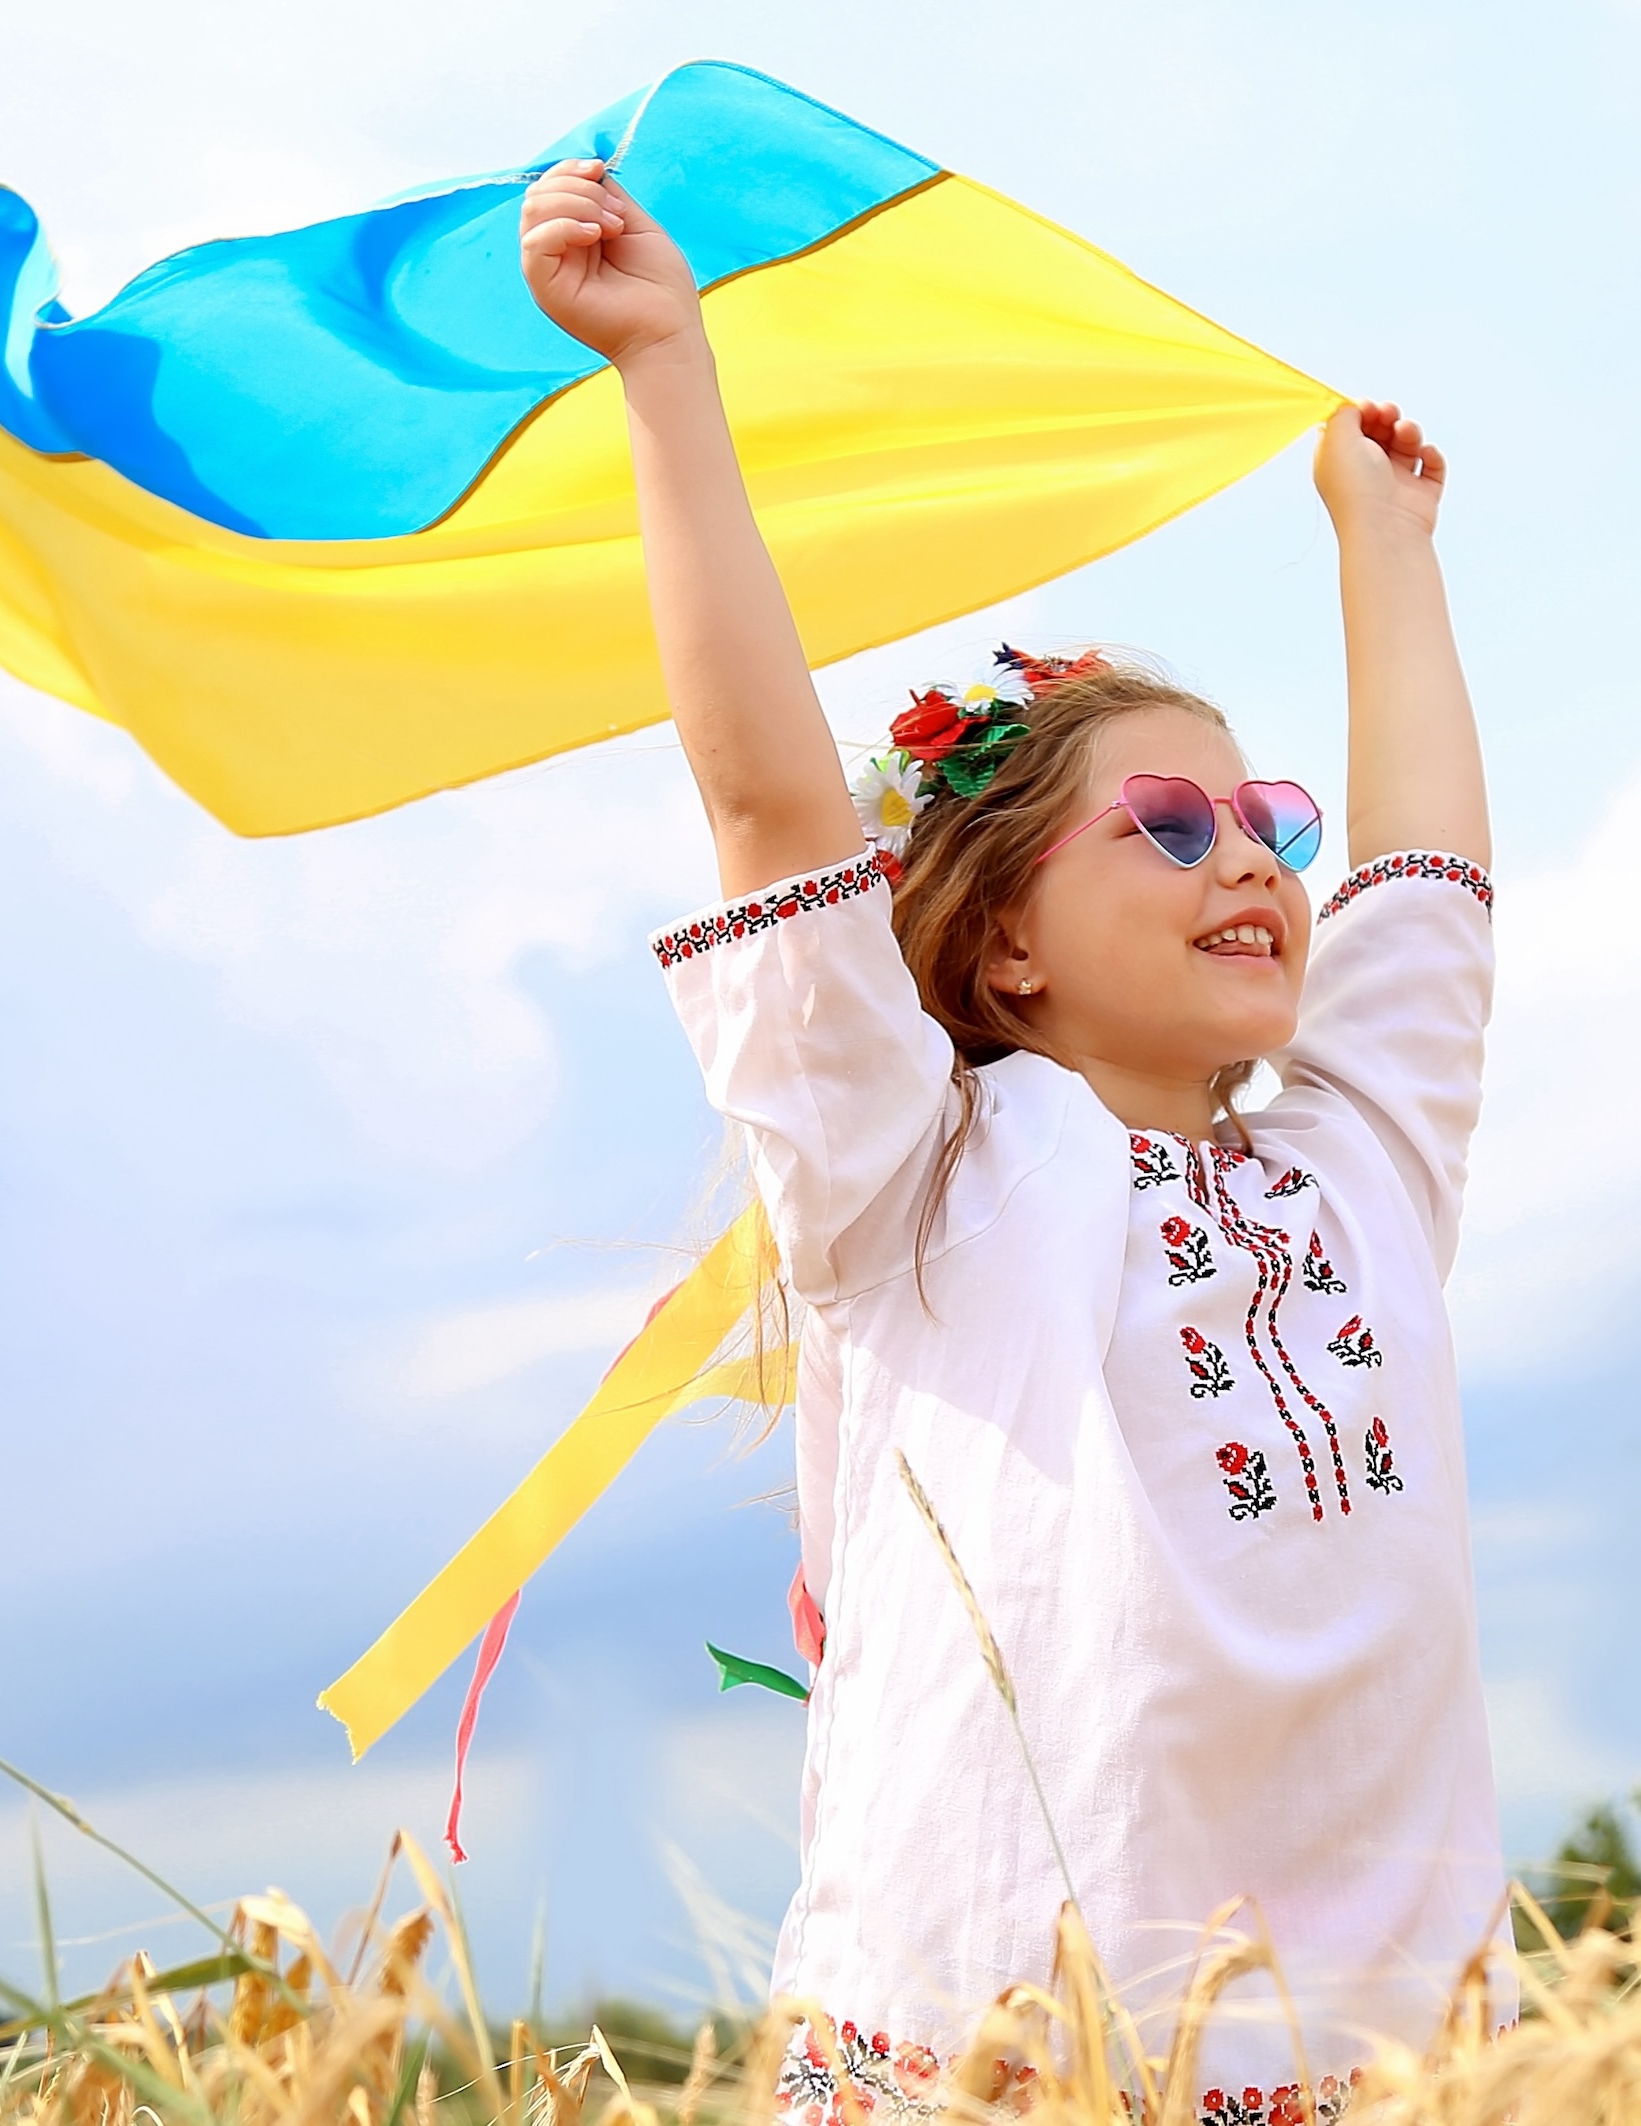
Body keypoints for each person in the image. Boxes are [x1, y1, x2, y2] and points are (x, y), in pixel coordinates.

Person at [519, 159, 1503, 2108]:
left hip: (1382, 2066)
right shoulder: (914, 1183)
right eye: (1163, 823)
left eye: (1262, 825)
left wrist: (1379, 549)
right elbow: (762, 807)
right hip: (994, 2053)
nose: (1247, 860)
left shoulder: (1356, 1159)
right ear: (998, 941)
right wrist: (662, 374)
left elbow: (1426, 877)